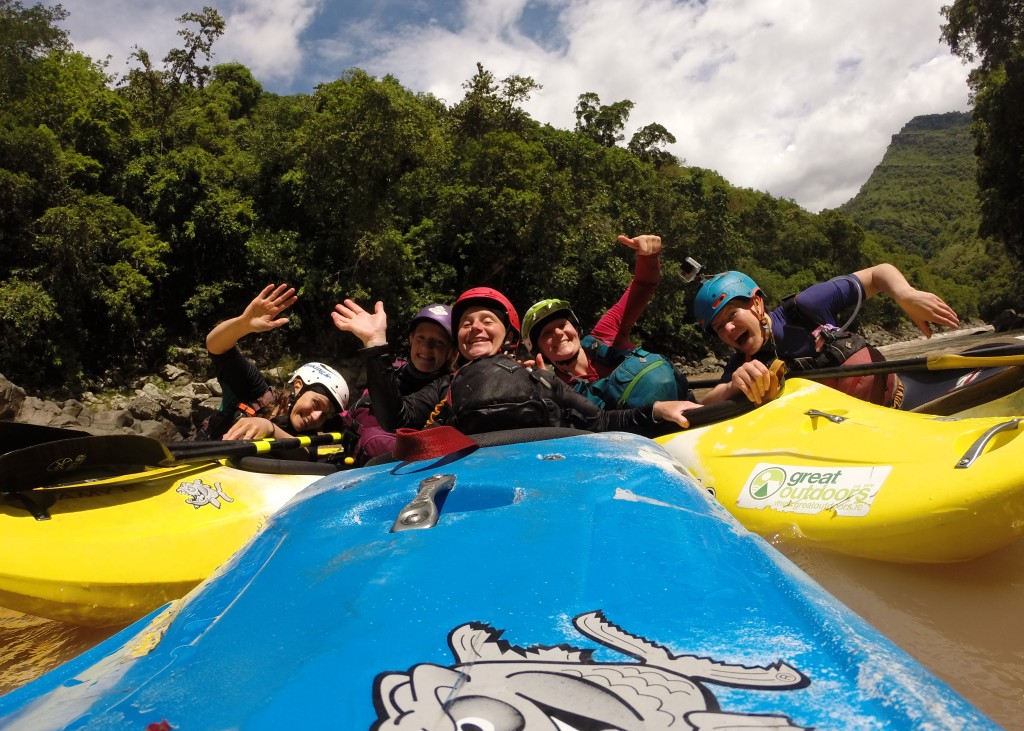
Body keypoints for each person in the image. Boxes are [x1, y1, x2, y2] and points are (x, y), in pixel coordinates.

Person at [332, 287, 700, 439]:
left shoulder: (538, 379)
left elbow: (599, 421)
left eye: (486, 321)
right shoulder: (446, 387)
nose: (475, 327)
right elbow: (394, 418)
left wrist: (656, 411)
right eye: (465, 323)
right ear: (458, 340)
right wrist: (375, 345)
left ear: (508, 337)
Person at [693, 265, 960, 407]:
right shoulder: (741, 367)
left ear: (757, 304)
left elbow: (878, 274)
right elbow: (707, 403)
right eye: (718, 327)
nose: (727, 329)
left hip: (904, 399)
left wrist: (906, 294)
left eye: (731, 315)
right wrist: (731, 387)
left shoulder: (808, 307)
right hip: (854, 436)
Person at [521, 235, 695, 409]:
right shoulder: (551, 387)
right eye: (547, 334)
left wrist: (649, 257)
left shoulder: (606, 331)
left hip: (685, 410)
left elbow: (643, 284)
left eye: (561, 325)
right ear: (540, 352)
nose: (558, 333)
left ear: (575, 328)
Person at [200, 283, 350, 441]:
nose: (316, 417)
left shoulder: (311, 435)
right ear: (298, 386)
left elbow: (306, 455)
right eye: (316, 404)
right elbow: (216, 347)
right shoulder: (255, 390)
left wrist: (271, 430)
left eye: (325, 415)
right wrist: (243, 324)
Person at [347, 303, 455, 463]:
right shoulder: (392, 371)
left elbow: (396, 419)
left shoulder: (445, 387)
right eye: (421, 338)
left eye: (438, 342)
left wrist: (375, 344)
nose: (426, 347)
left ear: (451, 351)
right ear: (411, 339)